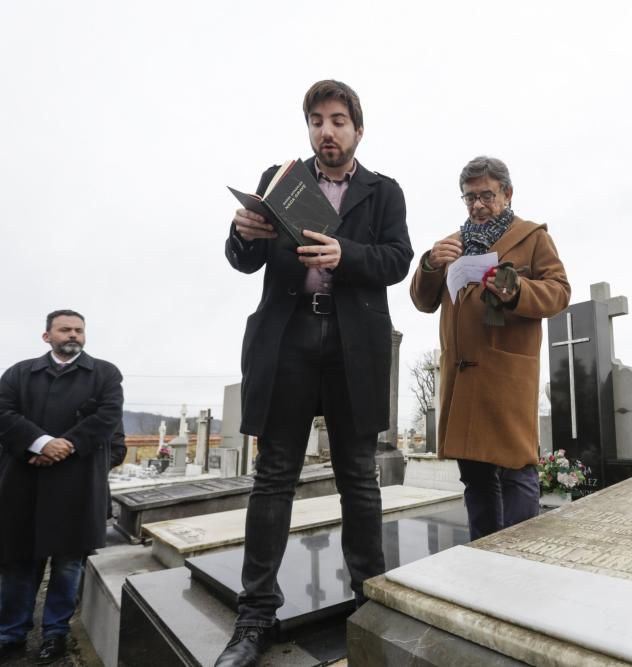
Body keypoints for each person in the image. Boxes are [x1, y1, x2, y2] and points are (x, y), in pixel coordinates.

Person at [217, 79, 412, 667]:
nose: (326, 131)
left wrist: (344, 255)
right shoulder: (280, 179)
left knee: (358, 473)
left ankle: (368, 601)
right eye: (317, 121)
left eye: (338, 121)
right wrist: (241, 233)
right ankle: (255, 617)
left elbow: (398, 260)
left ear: (357, 129)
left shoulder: (384, 191)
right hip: (288, 336)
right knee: (274, 475)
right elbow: (243, 258)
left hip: (353, 340)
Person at [410, 156, 570, 540]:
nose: (477, 205)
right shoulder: (454, 243)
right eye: (469, 198)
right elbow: (422, 300)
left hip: (506, 374)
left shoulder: (532, 237)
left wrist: (517, 290)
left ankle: (521, 555)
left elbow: (560, 291)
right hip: (462, 375)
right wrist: (431, 263)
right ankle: (481, 553)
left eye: (486, 196)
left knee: (516, 471)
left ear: (507, 194)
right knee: (475, 474)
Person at [0, 310, 124, 664]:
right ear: (47, 336)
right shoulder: (19, 373)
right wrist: (38, 443)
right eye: (65, 329)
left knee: (69, 566)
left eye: (79, 330)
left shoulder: (104, 373)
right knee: (18, 564)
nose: (73, 335)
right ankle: (11, 633)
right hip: (24, 482)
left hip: (77, 485)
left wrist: (62, 446)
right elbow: (3, 412)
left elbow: (107, 417)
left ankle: (55, 633)